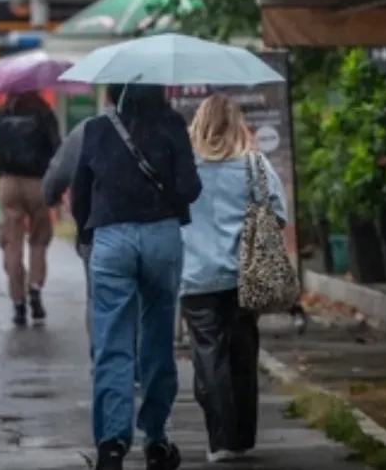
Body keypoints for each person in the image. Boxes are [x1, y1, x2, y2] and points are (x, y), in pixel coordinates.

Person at [71, 83, 201, 470]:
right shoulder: (172, 125)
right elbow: (190, 188)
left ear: (115, 94)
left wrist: (86, 233)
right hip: (162, 237)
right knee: (158, 339)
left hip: (111, 240)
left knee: (112, 342)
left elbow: (80, 194)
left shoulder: (96, 129)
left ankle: (112, 444)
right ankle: (157, 440)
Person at [180, 94, 286, 463]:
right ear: (237, 123)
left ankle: (221, 439)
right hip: (245, 276)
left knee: (209, 357)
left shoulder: (184, 167)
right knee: (243, 354)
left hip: (195, 278)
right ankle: (241, 438)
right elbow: (279, 214)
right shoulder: (254, 164)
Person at [0, 91, 60, 326]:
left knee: (12, 243)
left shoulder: (1, 114)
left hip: (8, 182)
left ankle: (18, 303)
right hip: (38, 183)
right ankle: (34, 288)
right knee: (39, 241)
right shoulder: (44, 113)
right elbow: (56, 150)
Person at [41, 116, 93, 352]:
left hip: (99, 229)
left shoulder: (87, 130)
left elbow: (58, 172)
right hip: (158, 230)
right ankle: (147, 370)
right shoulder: (169, 125)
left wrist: (51, 196)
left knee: (101, 300)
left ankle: (108, 369)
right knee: (151, 304)